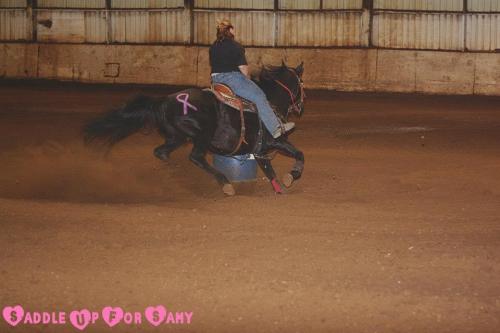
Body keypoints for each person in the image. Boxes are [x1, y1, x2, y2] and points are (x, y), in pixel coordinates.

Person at [209, 19, 295, 139]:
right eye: (233, 29)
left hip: (215, 80)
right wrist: (248, 79)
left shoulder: (213, 46)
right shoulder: (236, 46)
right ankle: (276, 128)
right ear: (230, 30)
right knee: (259, 96)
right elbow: (243, 70)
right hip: (232, 79)